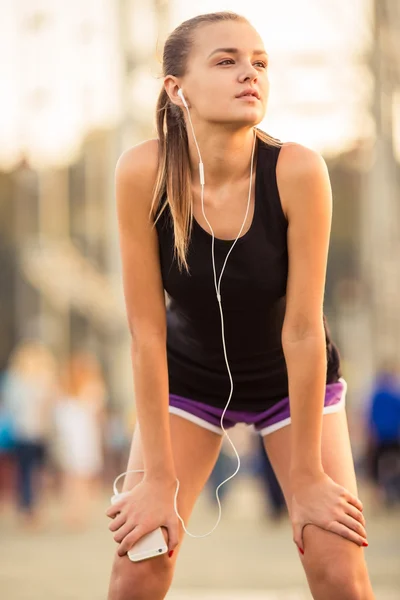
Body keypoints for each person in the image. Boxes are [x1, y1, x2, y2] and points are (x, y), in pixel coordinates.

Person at [106, 11, 374, 600]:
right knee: (138, 567)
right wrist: (157, 480)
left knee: (336, 565)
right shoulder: (142, 173)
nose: (249, 73)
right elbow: (146, 333)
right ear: (177, 89)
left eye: (259, 63)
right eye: (226, 61)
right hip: (190, 377)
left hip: (290, 379)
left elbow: (303, 330)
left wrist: (306, 478)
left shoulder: (298, 171)